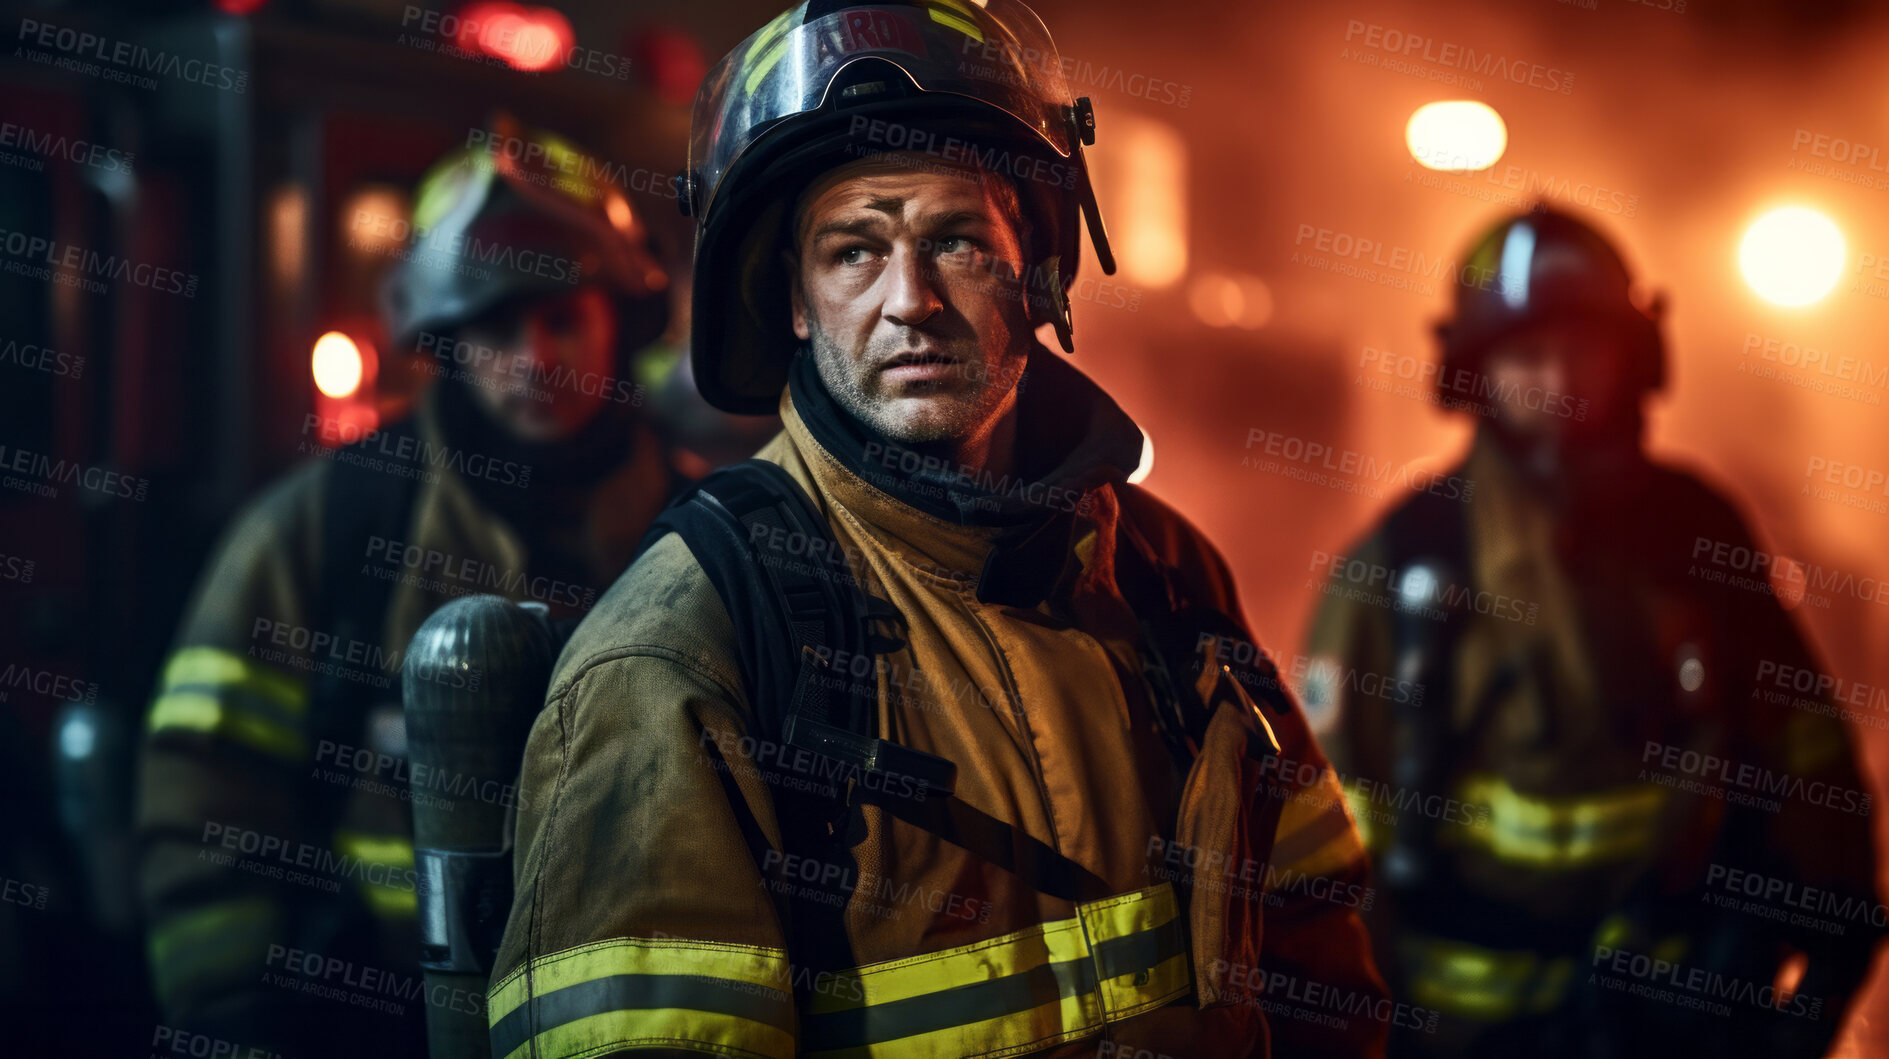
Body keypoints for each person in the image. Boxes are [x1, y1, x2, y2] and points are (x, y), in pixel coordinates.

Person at [487, 3, 1387, 1056]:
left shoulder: (1162, 571)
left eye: (954, 240)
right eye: (853, 252)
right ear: (791, 301)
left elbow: (1319, 953)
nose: (908, 301)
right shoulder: (681, 654)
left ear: (1036, 268)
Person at [137, 122, 680, 1058]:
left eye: (562, 318)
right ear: (449, 342)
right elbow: (205, 784)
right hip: (367, 1016)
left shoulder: (696, 532)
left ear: (619, 319)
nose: (536, 357)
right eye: (499, 327)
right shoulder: (328, 527)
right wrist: (234, 1010)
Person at [1304, 204, 1883, 1057]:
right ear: (1475, 371)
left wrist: (1824, 962)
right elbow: (1330, 832)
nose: (1558, 378)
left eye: (1585, 349)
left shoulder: (1700, 532)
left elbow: (1803, 754)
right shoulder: (1401, 567)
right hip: (1468, 1034)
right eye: (1526, 354)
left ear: (1636, 358)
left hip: (1681, 1025)